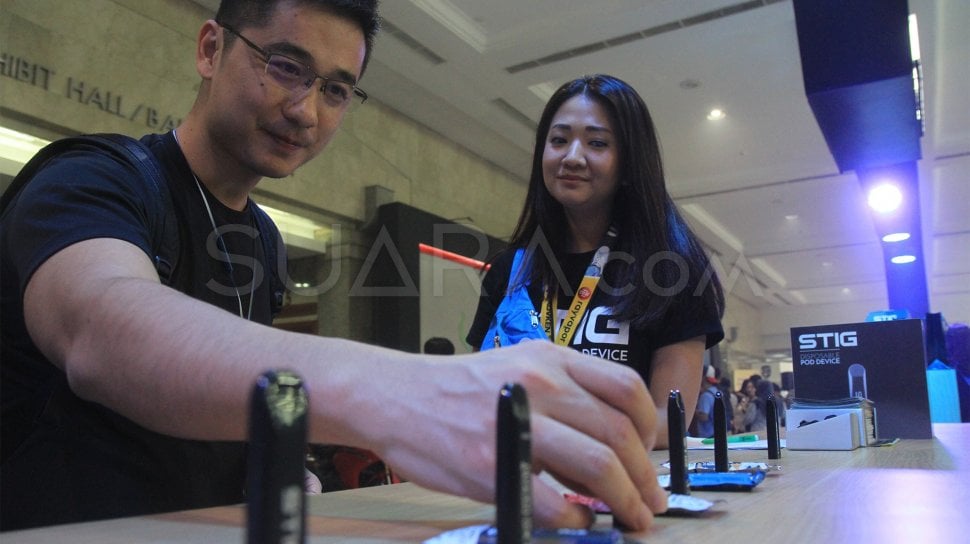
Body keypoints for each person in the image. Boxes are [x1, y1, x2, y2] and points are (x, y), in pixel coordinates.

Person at [0, 1, 667, 532]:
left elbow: (224, 402)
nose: (305, 110)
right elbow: (103, 330)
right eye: (285, 66)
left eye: (336, 90)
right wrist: (400, 391)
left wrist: (271, 459)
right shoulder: (94, 178)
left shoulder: (263, 239)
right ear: (210, 49)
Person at [466, 74, 725, 448]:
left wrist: (558, 424)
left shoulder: (674, 271)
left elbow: (668, 422)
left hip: (619, 478)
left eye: (597, 143)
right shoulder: (511, 271)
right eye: (559, 140)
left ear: (630, 162)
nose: (572, 157)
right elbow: (477, 395)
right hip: (518, 472)